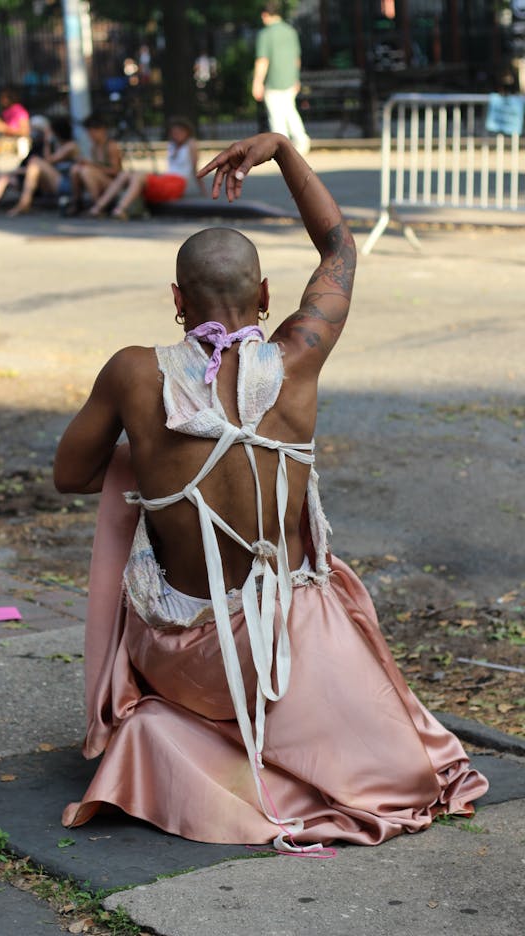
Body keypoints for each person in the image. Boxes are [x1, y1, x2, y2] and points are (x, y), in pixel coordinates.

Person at [54, 132, 488, 851]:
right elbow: (341, 248)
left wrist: (157, 454)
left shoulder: (134, 374)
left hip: (191, 666)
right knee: (334, 600)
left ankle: (185, 733)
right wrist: (283, 151)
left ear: (176, 301)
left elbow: (72, 475)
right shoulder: (296, 359)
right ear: (262, 295)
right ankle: (305, 733)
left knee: (154, 586)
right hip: (297, 652)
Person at [88, 116, 206, 219]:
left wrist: (203, 191)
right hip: (166, 178)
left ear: (187, 131)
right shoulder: (171, 144)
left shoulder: (191, 144)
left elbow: (195, 169)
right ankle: (99, 207)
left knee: (139, 174)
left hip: (177, 182)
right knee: (126, 173)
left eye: (180, 132)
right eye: (174, 132)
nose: (176, 135)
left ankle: (120, 209)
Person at [252, 1, 311, 156]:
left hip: (274, 81)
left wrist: (257, 82)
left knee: (277, 115)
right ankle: (301, 139)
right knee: (290, 111)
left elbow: (263, 60)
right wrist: (296, 78)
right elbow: (296, 59)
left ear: (265, 15)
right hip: (290, 79)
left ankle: (282, 147)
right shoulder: (290, 31)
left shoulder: (265, 34)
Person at [6, 116, 79, 216]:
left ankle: (24, 202)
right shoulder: (57, 145)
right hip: (56, 182)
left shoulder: (71, 146)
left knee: (35, 161)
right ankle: (25, 201)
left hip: (66, 183)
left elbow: (48, 161)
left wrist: (47, 141)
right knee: (34, 165)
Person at [66, 113, 122, 215]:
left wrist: (93, 166)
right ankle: (77, 202)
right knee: (76, 169)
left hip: (112, 183)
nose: (90, 135)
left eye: (93, 131)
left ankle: (98, 205)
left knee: (87, 171)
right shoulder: (94, 148)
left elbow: (116, 171)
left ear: (102, 130)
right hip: (99, 178)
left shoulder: (111, 146)